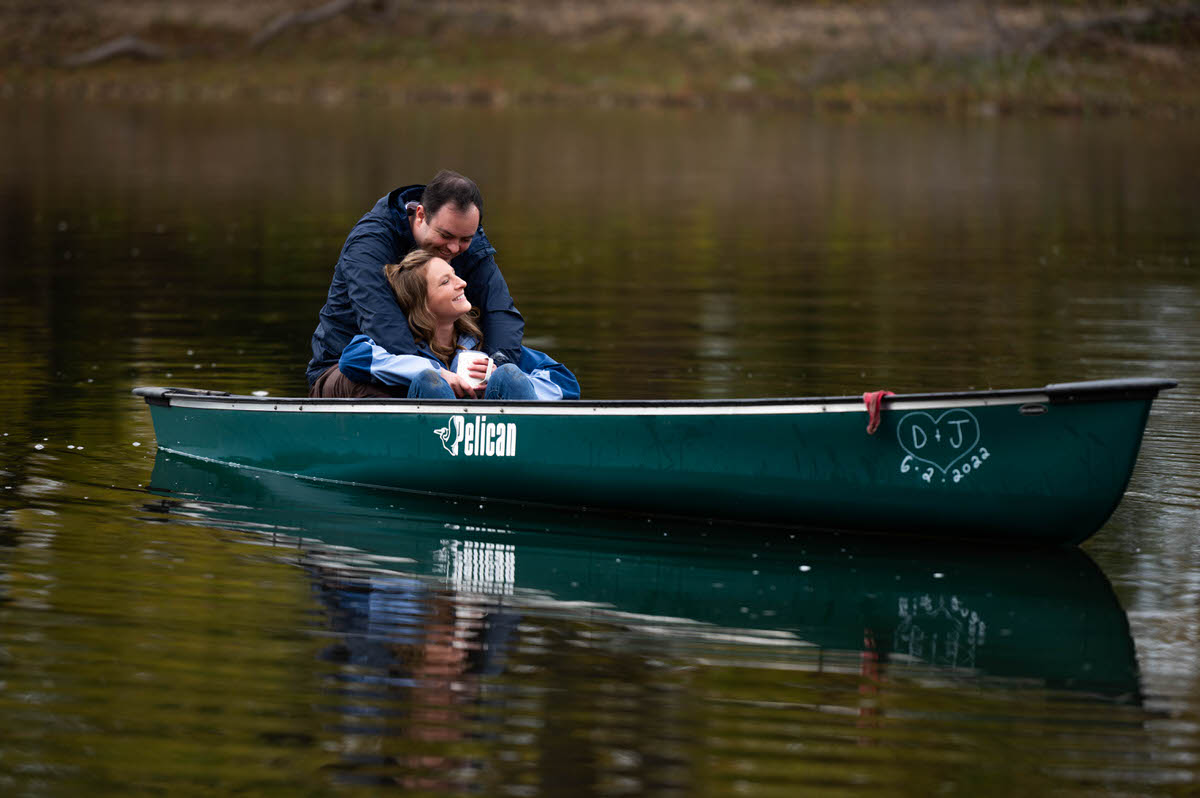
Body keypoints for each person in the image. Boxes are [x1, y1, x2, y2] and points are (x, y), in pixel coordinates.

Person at [307, 170, 524, 396]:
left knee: (510, 375)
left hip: (444, 365)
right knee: (424, 384)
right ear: (420, 215)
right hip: (350, 366)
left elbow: (501, 311)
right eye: (446, 235)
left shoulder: (464, 237)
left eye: (465, 239)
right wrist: (435, 371)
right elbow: (382, 323)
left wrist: (493, 365)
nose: (453, 248)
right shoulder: (369, 244)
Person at [328, 248, 580, 400]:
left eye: (455, 274)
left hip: (499, 444)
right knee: (430, 382)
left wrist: (495, 376)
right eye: (445, 281)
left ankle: (525, 468)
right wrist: (438, 372)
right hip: (434, 444)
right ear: (423, 303)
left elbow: (567, 385)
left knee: (509, 376)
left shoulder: (483, 344)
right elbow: (353, 359)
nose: (462, 283)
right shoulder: (400, 343)